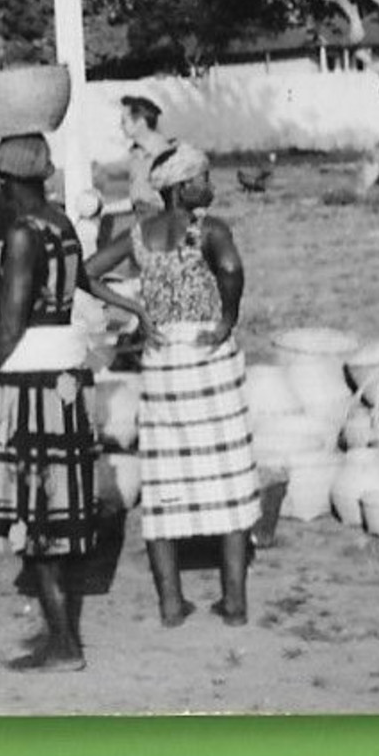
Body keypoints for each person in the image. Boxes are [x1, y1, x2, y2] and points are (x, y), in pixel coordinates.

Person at [0, 134, 142, 672]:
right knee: (56, 511)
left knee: (36, 518)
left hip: (32, 381)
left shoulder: (20, 233)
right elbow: (84, 281)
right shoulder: (59, 222)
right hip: (66, 376)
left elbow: (10, 325)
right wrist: (128, 304)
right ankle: (60, 635)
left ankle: (64, 644)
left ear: (5, 179)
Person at [86, 142, 258, 627]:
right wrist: (227, 319)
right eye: (203, 179)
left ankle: (170, 604)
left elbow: (88, 272)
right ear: (182, 189)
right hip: (208, 356)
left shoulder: (140, 234)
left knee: (165, 478)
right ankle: (235, 604)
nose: (211, 186)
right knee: (226, 472)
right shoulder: (210, 230)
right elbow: (231, 269)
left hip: (162, 360)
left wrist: (138, 309)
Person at [119, 95, 175, 217]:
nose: (120, 126)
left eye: (124, 121)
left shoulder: (165, 154)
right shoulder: (135, 154)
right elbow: (138, 197)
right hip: (140, 218)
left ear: (140, 123)